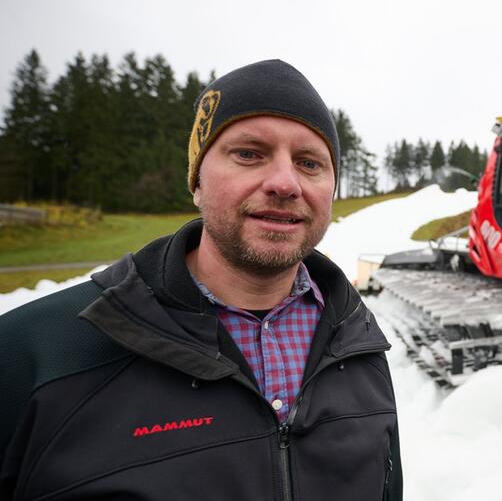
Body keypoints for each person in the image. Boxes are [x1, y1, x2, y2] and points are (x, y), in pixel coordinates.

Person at [0, 60, 402, 500]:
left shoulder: (360, 344)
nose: (286, 183)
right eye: (249, 153)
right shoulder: (34, 356)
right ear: (196, 180)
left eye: (309, 163)